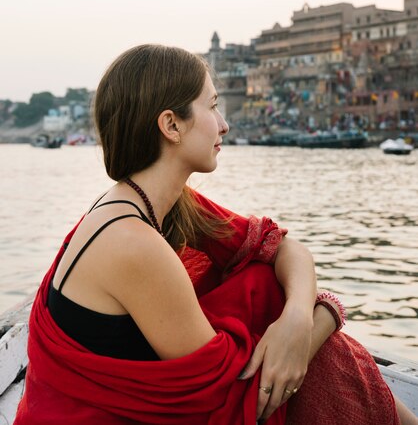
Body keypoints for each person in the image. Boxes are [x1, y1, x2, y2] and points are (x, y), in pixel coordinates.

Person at [14, 44, 417, 425]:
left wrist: (297, 317)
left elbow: (283, 247)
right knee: (267, 296)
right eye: (212, 106)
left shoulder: (158, 203)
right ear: (171, 125)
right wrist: (325, 313)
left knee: (264, 282)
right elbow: (242, 396)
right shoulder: (131, 241)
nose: (224, 124)